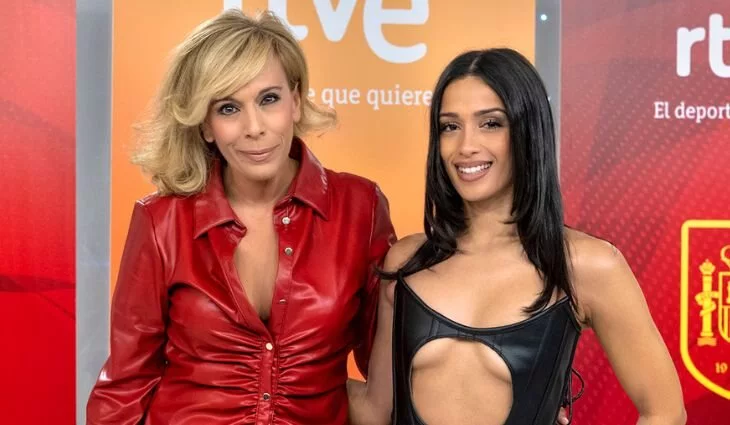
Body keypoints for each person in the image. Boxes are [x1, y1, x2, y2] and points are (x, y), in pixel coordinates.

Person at [86, 9, 395, 425]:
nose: (254, 127)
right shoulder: (162, 220)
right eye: (229, 108)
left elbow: (390, 369)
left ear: (295, 101)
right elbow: (126, 385)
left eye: (269, 99)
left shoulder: (361, 207)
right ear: (205, 125)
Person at [347, 48, 686, 425]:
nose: (466, 146)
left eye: (490, 123)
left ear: (527, 131)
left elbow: (665, 412)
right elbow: (374, 411)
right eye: (450, 126)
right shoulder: (406, 263)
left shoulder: (586, 266)